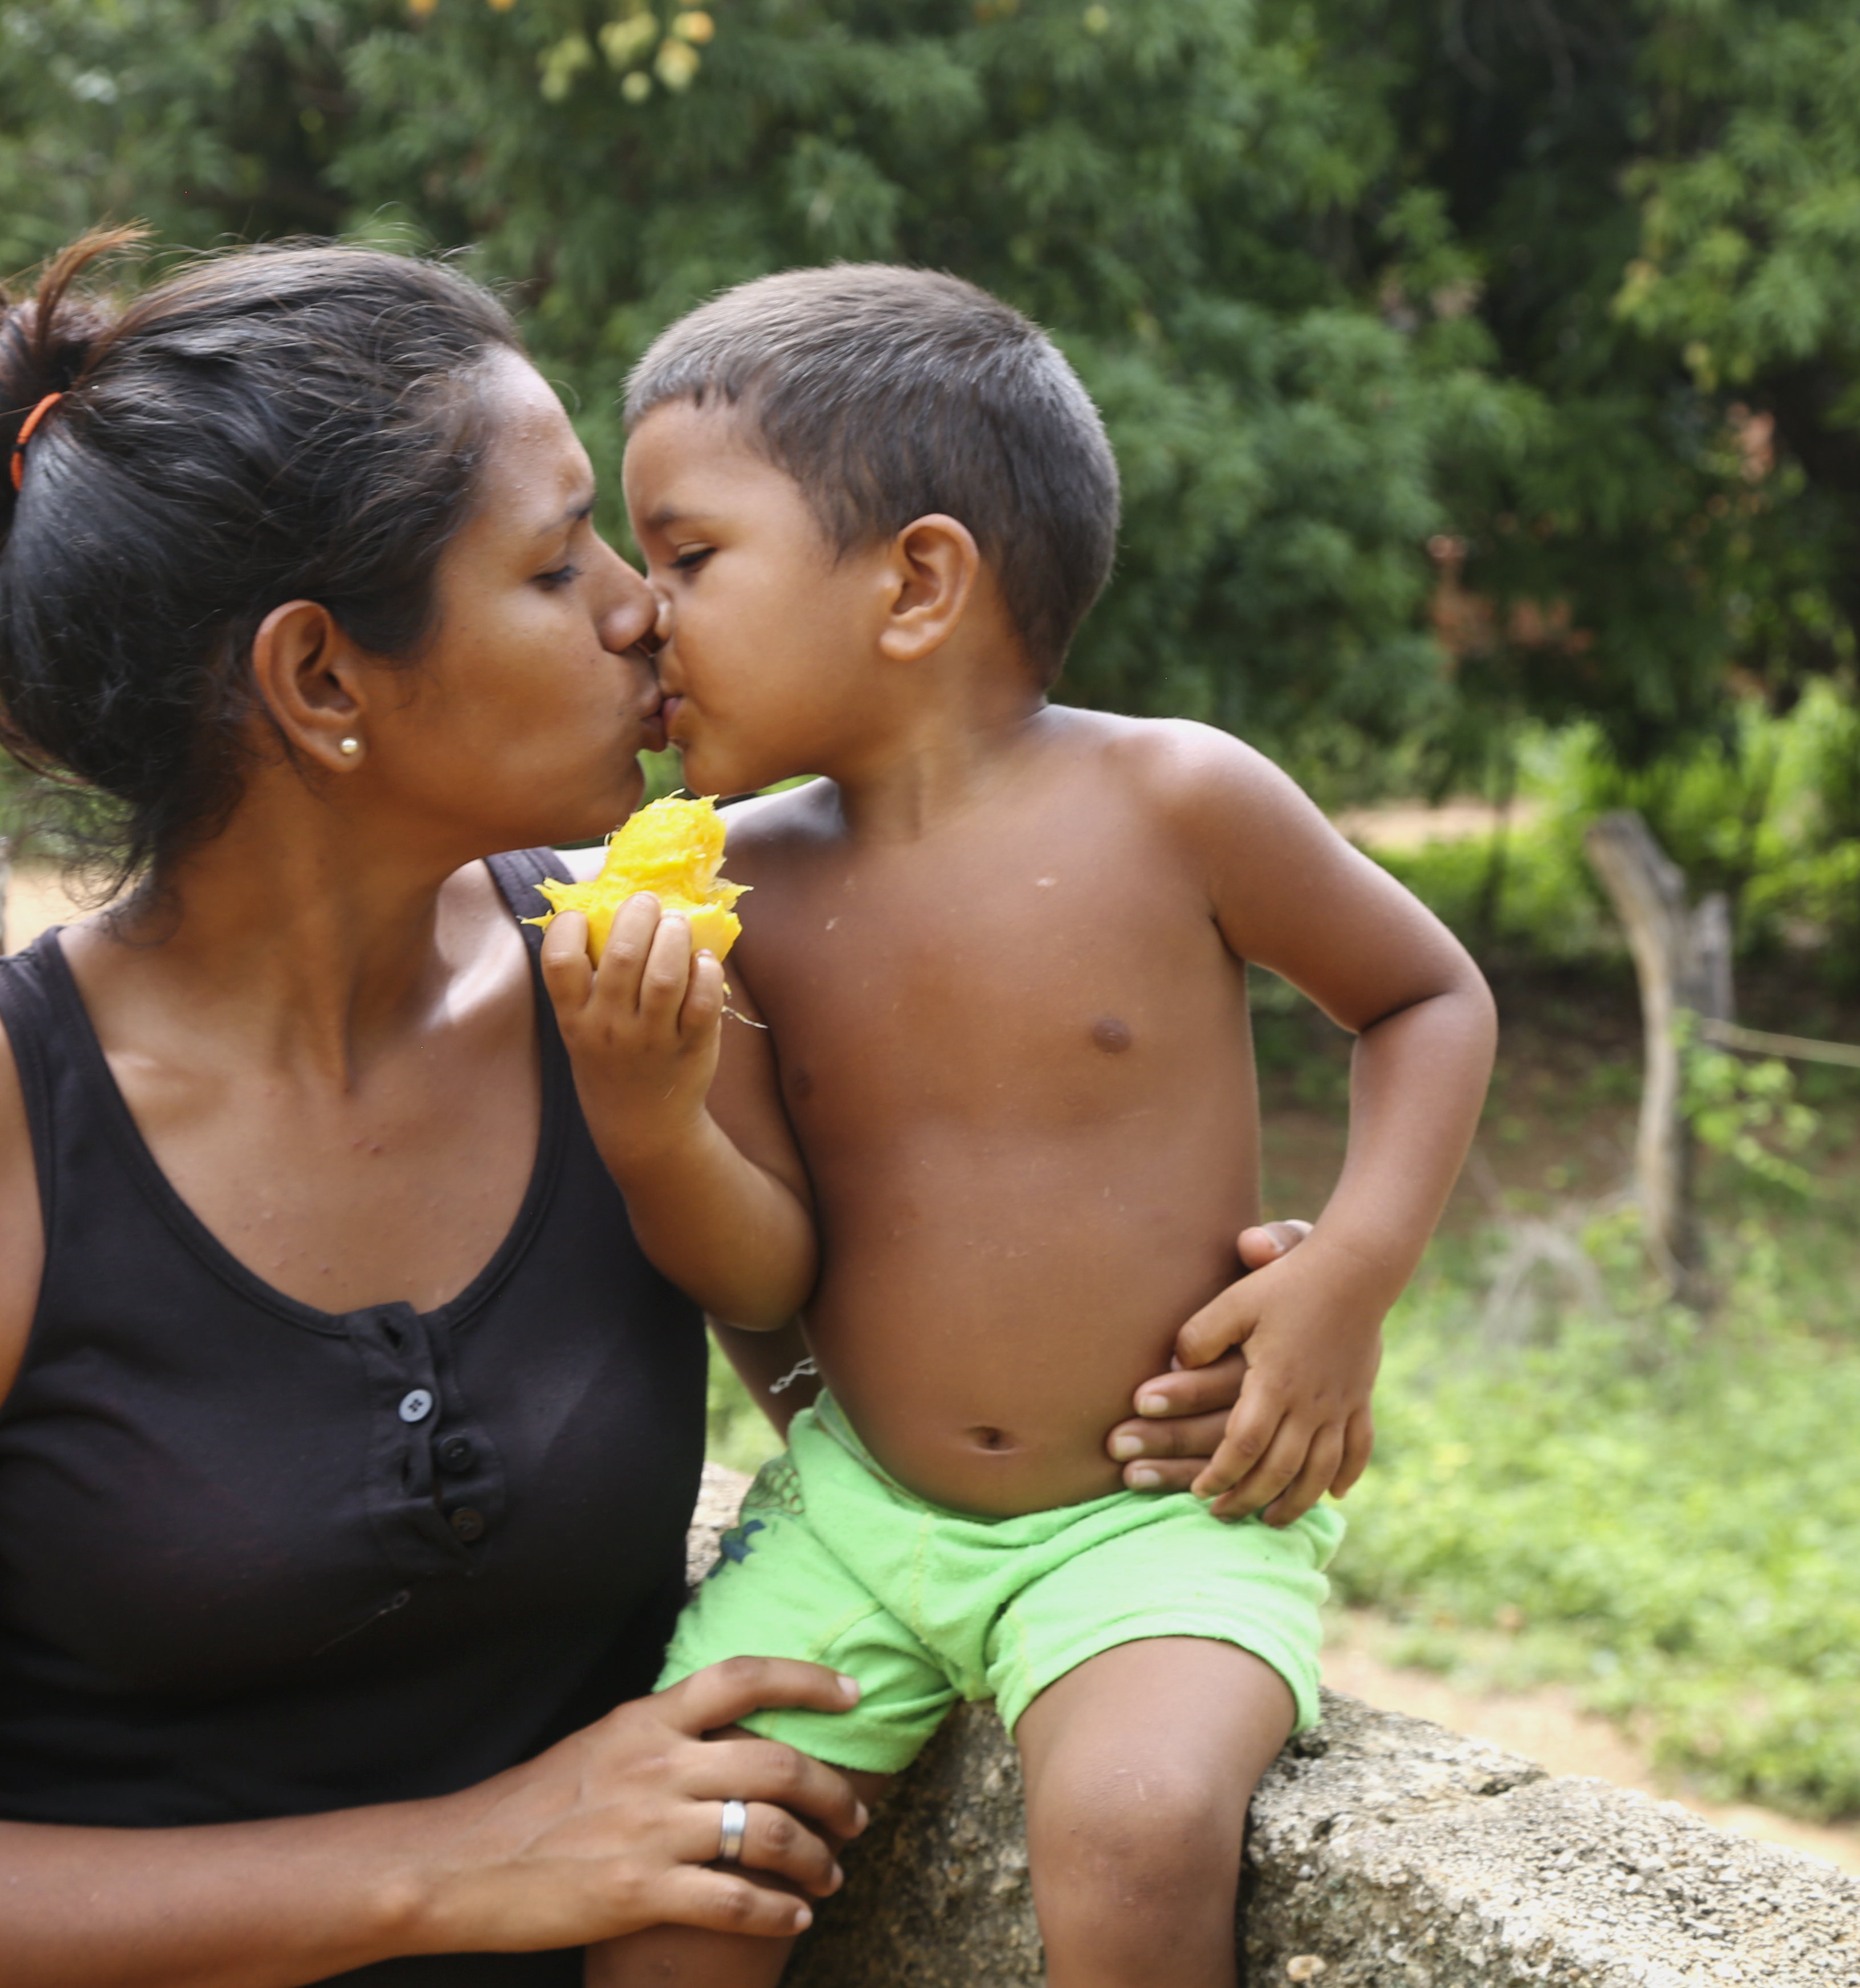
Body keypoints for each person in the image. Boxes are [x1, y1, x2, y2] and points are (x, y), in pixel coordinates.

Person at [0, 232, 1268, 1988]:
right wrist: (458, 1865)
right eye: (554, 563)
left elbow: (874, 1369)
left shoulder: (633, 985)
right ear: (320, 682)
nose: (639, 607)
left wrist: (1209, 1344)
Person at [560, 268, 1498, 1988]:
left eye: (689, 558)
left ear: (917, 580)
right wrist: (647, 1118)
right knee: (664, 1878)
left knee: (1136, 1826)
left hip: (1148, 1518)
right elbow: (761, 1265)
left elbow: (1428, 998)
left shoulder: (1177, 801)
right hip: (856, 1511)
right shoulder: (738, 887)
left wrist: (1351, 1276)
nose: (638, 614)